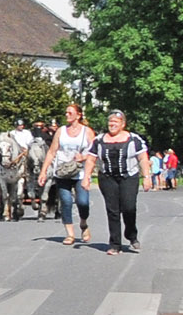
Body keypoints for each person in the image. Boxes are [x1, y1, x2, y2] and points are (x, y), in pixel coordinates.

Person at [93, 110, 148, 253]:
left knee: (129, 207)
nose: (112, 124)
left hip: (129, 176)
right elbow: (90, 159)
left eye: (115, 122)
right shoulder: (99, 140)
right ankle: (115, 244)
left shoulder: (134, 139)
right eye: (110, 121)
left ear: (123, 124)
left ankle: (131, 234)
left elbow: (143, 158)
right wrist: (86, 177)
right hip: (107, 177)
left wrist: (146, 177)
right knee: (112, 210)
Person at [45, 103, 94, 245]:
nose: (67, 115)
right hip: (62, 172)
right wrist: (44, 171)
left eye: (70, 113)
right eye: (66, 112)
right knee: (66, 202)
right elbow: (52, 151)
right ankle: (70, 234)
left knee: (83, 202)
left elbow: (95, 152)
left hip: (80, 172)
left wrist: (83, 157)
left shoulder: (87, 132)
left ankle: (83, 223)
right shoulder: (61, 131)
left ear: (78, 115)